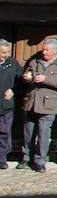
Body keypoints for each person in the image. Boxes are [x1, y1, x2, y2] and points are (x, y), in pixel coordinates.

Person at [18, 37, 57, 171]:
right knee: (28, 133)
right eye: (43, 49)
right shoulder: (35, 60)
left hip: (47, 105)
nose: (43, 52)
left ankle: (40, 161)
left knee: (43, 134)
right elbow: (27, 73)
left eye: (46, 50)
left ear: (54, 51)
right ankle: (25, 158)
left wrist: (46, 79)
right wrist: (27, 77)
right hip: (31, 102)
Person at [0, 39, 19, 170]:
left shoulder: (12, 63)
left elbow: (22, 79)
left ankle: (1, 158)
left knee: (4, 132)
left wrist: (13, 90)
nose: (6, 55)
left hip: (5, 105)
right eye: (3, 52)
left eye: (7, 52)